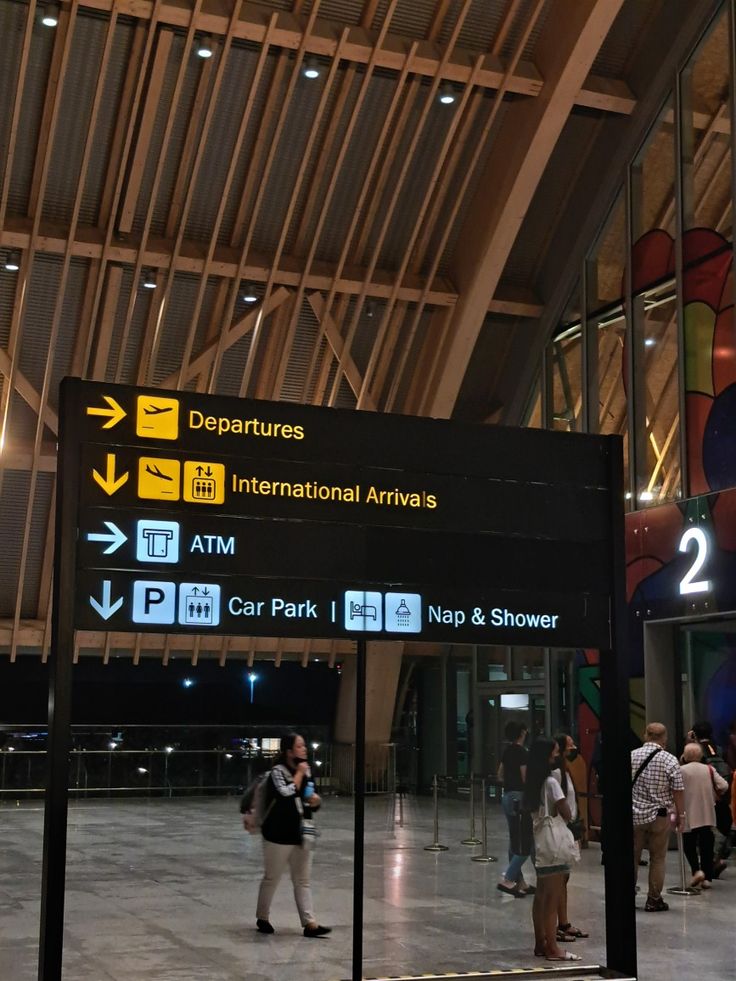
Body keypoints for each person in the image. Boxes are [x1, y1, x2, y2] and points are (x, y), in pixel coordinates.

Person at [255, 733, 331, 937]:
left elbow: (307, 800)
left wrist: (316, 801)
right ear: (289, 751)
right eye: (300, 746)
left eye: (304, 746)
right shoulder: (277, 773)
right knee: (272, 878)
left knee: (303, 880)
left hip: (301, 834)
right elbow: (285, 794)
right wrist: (299, 773)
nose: (304, 749)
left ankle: (310, 923)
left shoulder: (306, 772)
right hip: (277, 835)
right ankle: (262, 917)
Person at [523, 738, 580, 962]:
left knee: (541, 896)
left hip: (539, 841)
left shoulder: (532, 781)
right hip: (554, 843)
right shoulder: (551, 782)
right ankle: (553, 948)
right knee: (552, 897)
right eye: (555, 752)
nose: (557, 756)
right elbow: (565, 812)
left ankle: (540, 942)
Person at [631, 722, 685, 911]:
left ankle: (627, 895)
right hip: (660, 816)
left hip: (634, 815)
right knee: (658, 858)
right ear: (664, 738)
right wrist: (681, 815)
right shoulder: (670, 760)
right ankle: (653, 899)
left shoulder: (631, 756)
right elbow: (678, 790)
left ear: (646, 735)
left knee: (632, 857)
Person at [552, 733, 587, 944]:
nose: (574, 746)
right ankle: (557, 924)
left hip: (568, 828)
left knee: (564, 878)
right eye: (570, 743)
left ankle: (563, 922)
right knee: (557, 879)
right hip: (560, 829)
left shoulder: (565, 770)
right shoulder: (555, 774)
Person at [679, 742, 727, 888]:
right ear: (700, 755)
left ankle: (696, 871)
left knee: (689, 844)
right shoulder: (709, 769)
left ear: (685, 756)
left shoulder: (681, 770)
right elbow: (723, 785)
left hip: (688, 813)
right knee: (707, 845)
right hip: (707, 812)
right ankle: (707, 878)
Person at [689, 720, 733, 876]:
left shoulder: (695, 750)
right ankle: (715, 860)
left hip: (703, 797)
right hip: (721, 794)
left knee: (704, 831)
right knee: (718, 828)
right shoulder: (718, 749)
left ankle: (710, 863)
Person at [497, 721, 534, 897]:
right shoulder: (522, 753)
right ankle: (509, 878)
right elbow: (525, 777)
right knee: (522, 841)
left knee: (514, 838)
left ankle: (520, 882)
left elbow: (500, 774)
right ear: (522, 732)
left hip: (506, 796)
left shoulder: (507, 751)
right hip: (519, 798)